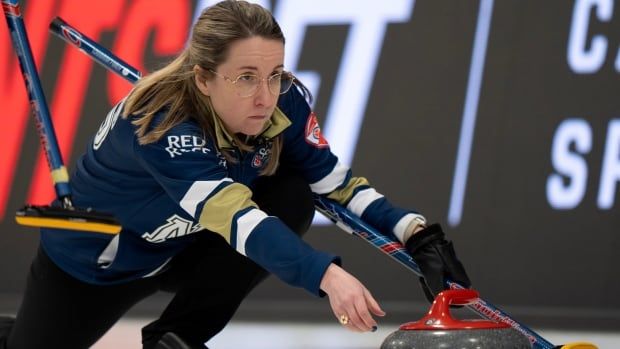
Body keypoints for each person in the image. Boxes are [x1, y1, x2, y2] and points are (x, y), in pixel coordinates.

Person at [0, 1, 470, 348]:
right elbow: (237, 220)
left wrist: (415, 232)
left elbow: (336, 185)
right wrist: (327, 276)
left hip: (183, 245)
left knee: (291, 195)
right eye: (245, 77)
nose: (265, 96)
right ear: (204, 78)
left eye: (275, 73)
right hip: (94, 265)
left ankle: (176, 338)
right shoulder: (160, 125)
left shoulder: (282, 99)